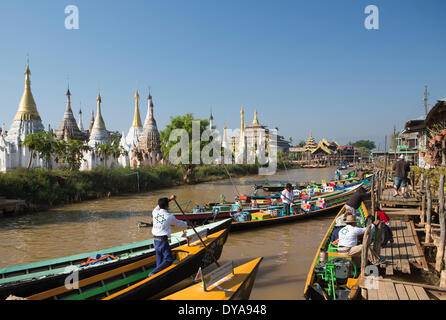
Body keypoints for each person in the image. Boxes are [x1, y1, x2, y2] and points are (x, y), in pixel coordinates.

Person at [149, 195, 189, 277]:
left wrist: (169, 199)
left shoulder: (155, 212)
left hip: (155, 241)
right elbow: (179, 223)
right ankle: (153, 273)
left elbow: (158, 206)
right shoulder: (169, 217)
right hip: (163, 241)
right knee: (169, 259)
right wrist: (188, 224)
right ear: (167, 206)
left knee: (159, 260)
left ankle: (157, 275)